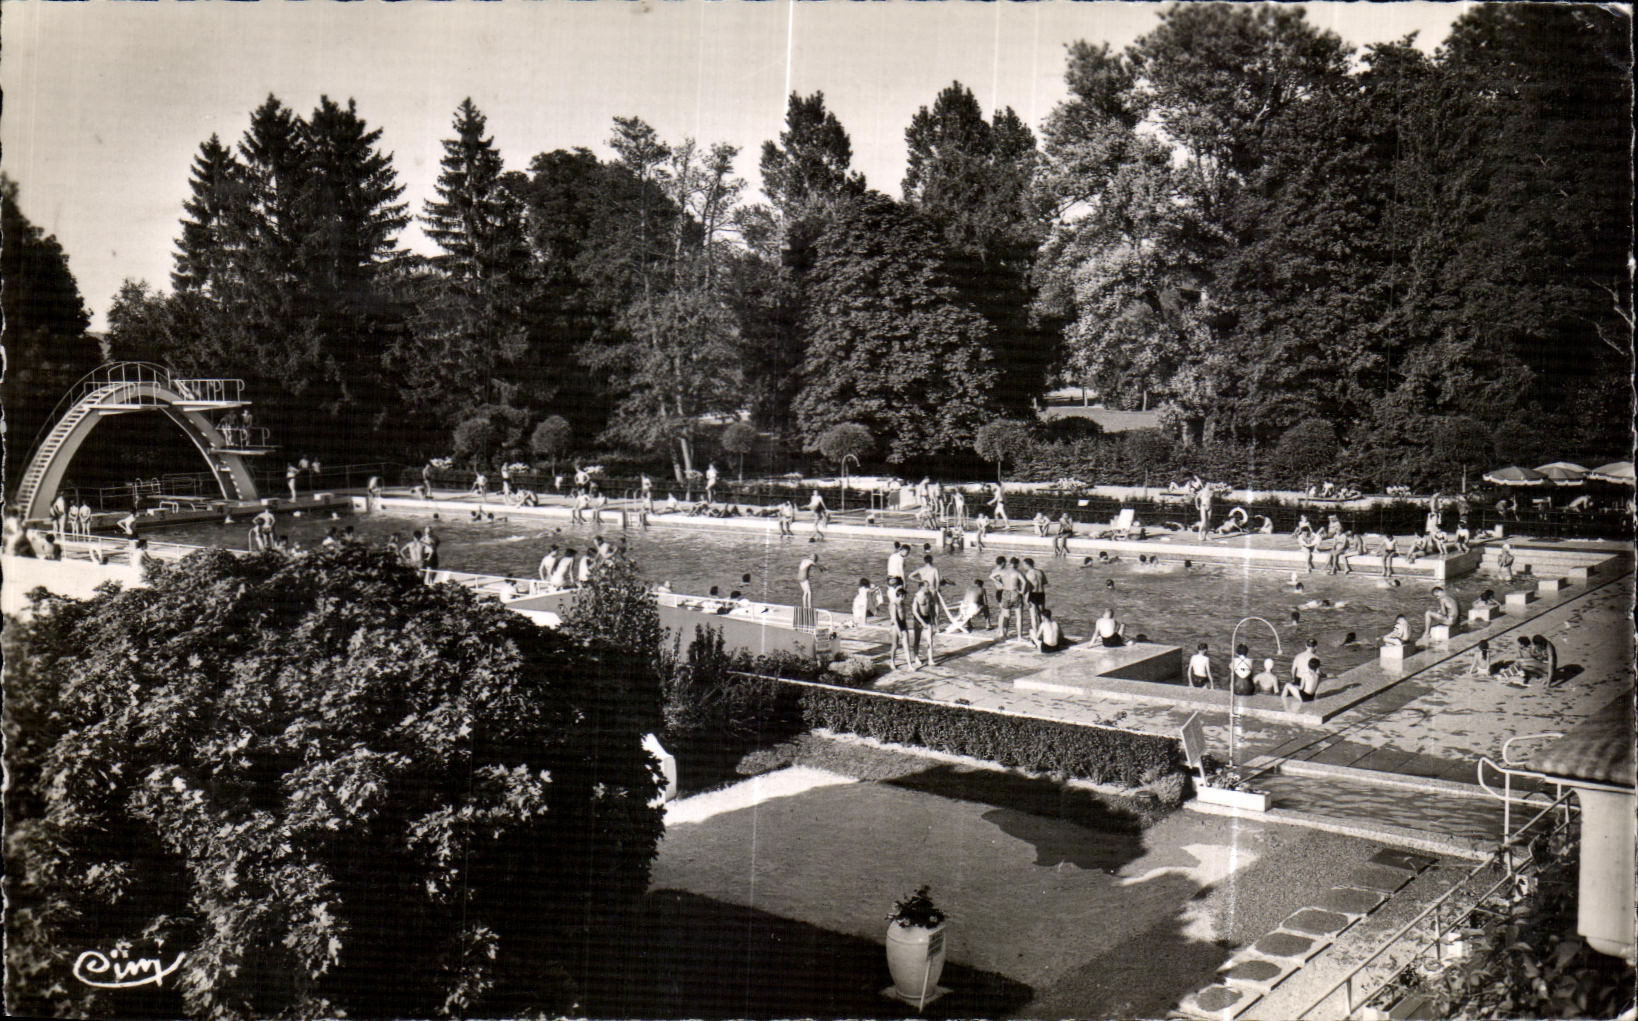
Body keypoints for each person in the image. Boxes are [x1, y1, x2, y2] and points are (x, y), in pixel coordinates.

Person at [990, 555, 1027, 640]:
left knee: (1006, 615)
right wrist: (1022, 592)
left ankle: (1004, 634)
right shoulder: (1017, 572)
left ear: (1010, 563)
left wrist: (999, 582)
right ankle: (1019, 637)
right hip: (1015, 592)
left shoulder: (1003, 571)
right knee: (1019, 616)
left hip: (1005, 592)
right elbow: (1024, 582)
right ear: (1017, 564)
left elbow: (991, 576)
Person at [909, 579, 938, 668]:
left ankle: (930, 659)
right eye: (927, 586)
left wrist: (934, 622)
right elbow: (914, 611)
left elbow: (932, 609)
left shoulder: (929, 595)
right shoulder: (917, 596)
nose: (928, 588)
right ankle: (916, 657)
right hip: (918, 619)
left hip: (927, 618)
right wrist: (921, 622)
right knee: (917, 640)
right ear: (921, 587)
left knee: (930, 640)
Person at [886, 578, 913, 670]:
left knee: (906, 645)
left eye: (904, 597)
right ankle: (892, 661)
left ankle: (909, 665)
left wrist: (904, 628)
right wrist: (899, 632)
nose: (904, 598)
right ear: (899, 596)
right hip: (895, 627)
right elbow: (894, 619)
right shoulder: (894, 604)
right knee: (895, 645)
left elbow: (903, 618)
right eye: (903, 596)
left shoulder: (903, 604)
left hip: (903, 625)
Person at [1021, 557, 1047, 633]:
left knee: (1033, 616)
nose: (1023, 566)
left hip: (1032, 594)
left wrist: (1025, 599)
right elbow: (1044, 583)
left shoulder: (1028, 574)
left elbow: (1028, 588)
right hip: (1041, 593)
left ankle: (1036, 633)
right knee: (1041, 614)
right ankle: (1044, 631)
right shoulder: (1040, 572)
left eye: (1024, 564)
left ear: (1027, 564)